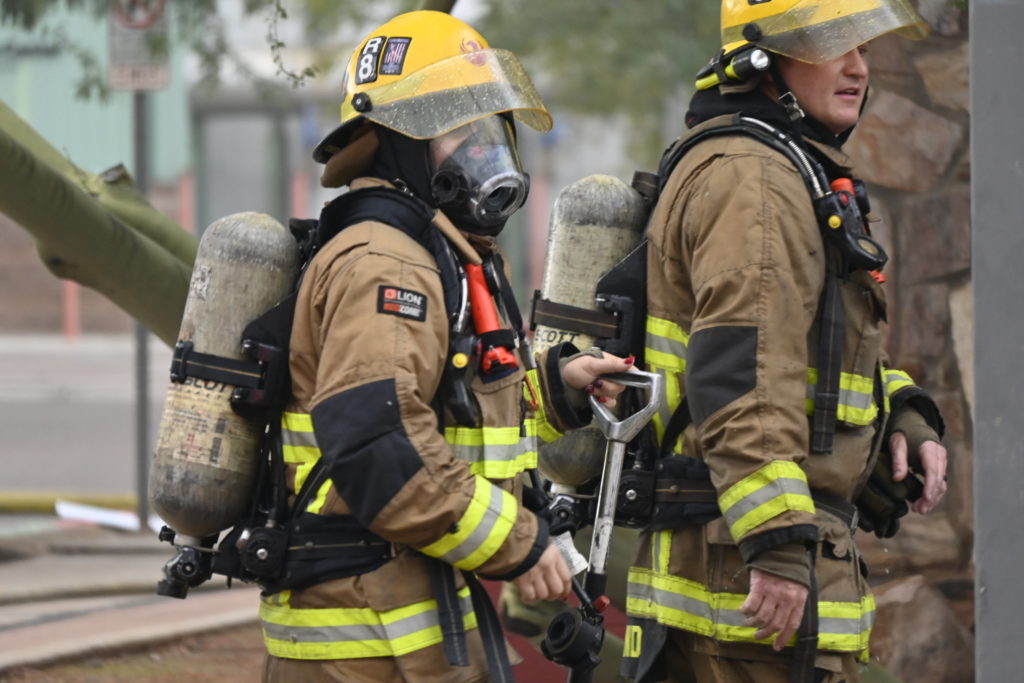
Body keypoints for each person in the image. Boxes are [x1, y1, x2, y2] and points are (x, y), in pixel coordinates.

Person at [256, 11, 631, 683]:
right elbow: (380, 446)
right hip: (362, 645)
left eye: (488, 124)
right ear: (397, 143)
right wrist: (520, 543)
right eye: (457, 126)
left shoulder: (438, 254)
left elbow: (446, 410)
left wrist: (556, 386)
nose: (482, 149)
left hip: (401, 632)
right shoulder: (388, 265)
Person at [621, 1, 948, 682]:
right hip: (749, 596)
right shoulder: (758, 181)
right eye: (832, 45)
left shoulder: (783, 168)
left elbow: (814, 356)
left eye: (862, 49)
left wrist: (901, 415)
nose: (858, 68)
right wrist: (774, 541)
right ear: (762, 59)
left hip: (747, 581)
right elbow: (741, 378)